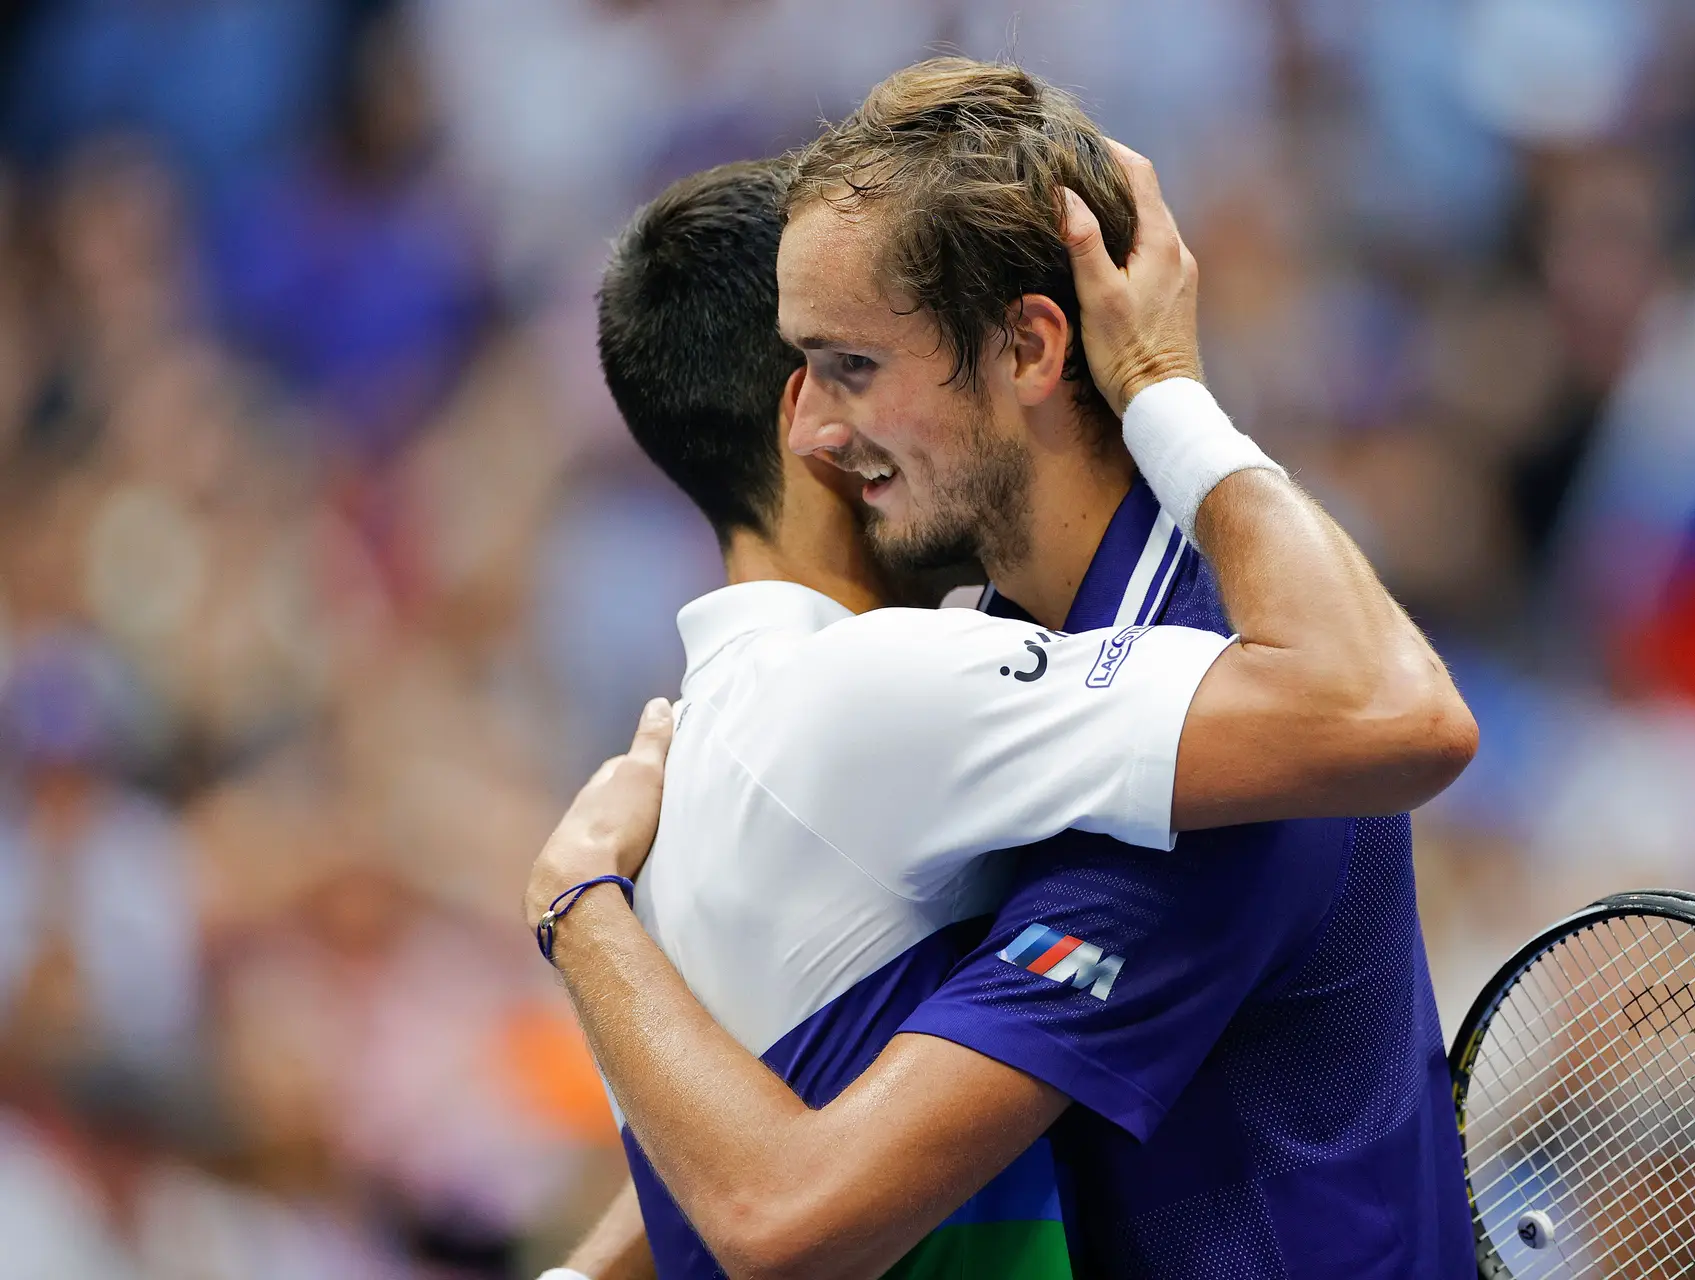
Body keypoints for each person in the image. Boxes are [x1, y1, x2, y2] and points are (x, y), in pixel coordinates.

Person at [535, 60, 1477, 1280]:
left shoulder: (1228, 751)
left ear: (1030, 347)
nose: (815, 428)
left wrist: (573, 900)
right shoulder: (993, 671)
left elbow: (798, 1208)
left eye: (853, 367)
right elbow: (845, 1069)